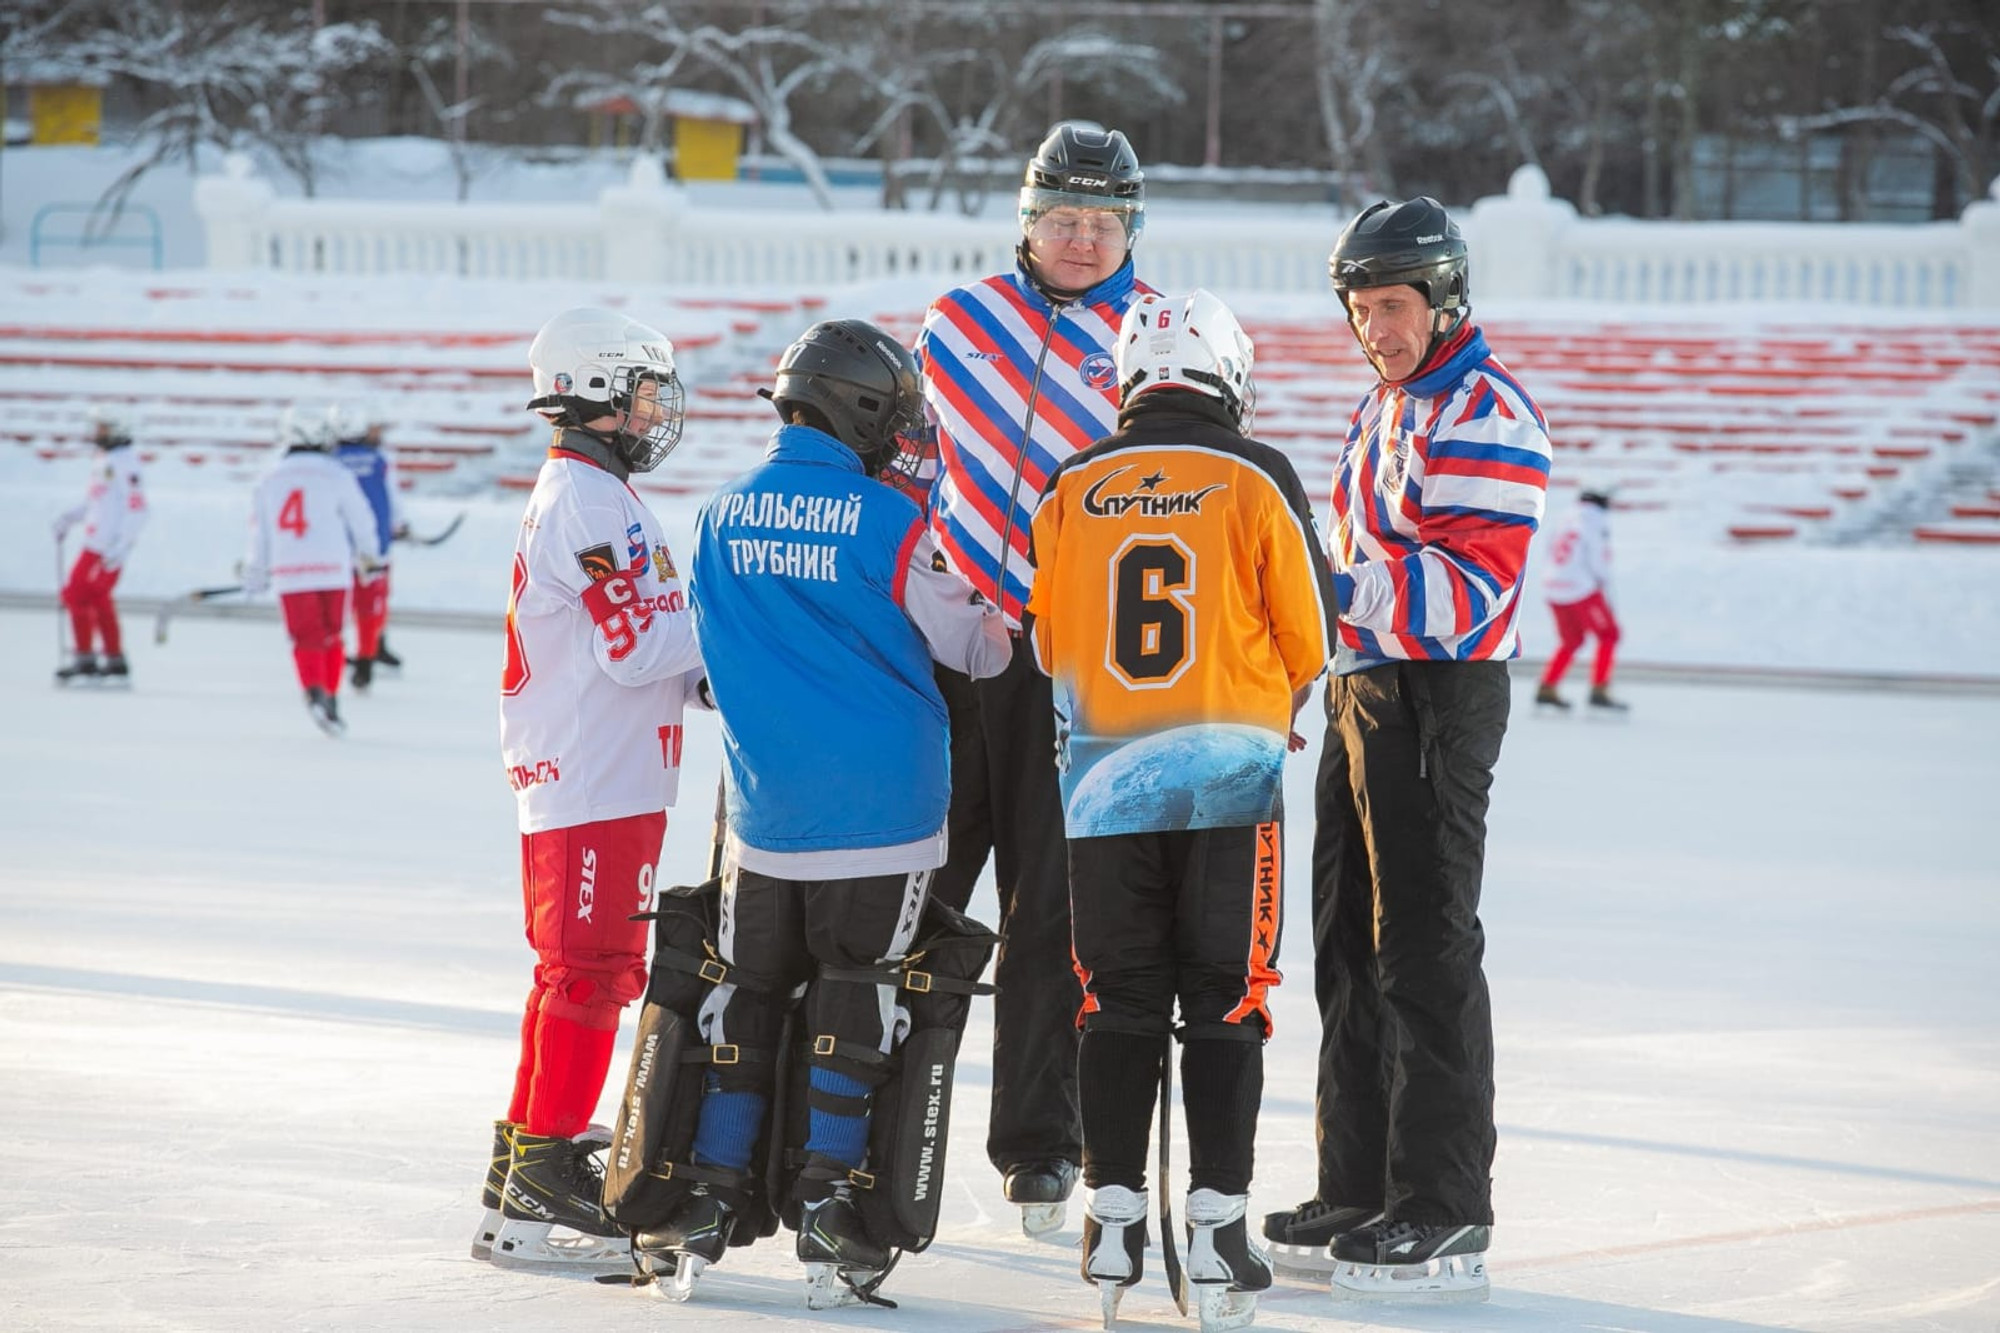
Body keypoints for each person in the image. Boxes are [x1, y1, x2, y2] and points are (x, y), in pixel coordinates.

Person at [647, 319, 1009, 1298]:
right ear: (857, 411)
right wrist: (1009, 610)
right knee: (860, 986)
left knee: (751, 989)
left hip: (761, 813)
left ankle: (714, 1188)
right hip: (885, 805)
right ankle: (825, 1199)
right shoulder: (892, 522)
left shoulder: (717, 517)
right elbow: (976, 648)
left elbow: (704, 663)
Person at [1023, 290, 1338, 1328]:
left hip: (1102, 775)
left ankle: (1110, 1211)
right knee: (1224, 996)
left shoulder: (1071, 480)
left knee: (1113, 994)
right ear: (1227, 376)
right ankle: (1214, 1223)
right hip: (1225, 776)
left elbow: (1046, 643)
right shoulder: (1254, 473)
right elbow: (1311, 636)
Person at [1263, 198, 1551, 1302]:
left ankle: (1441, 1203)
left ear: (1441, 299)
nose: (1373, 326)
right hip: (1363, 685)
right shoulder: (1383, 406)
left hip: (1435, 692)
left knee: (1423, 945)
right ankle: (1360, 1181)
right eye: (1358, 308)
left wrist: (1334, 591)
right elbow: (1353, 569)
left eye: (1390, 304)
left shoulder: (1480, 408)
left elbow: (1472, 587)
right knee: (1344, 941)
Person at [912, 121, 1152, 1232]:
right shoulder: (957, 323)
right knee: (918, 881)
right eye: (1063, 218)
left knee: (1052, 904)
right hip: (951, 648)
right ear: (1026, 220)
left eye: (1103, 222)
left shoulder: (1154, 338)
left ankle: (1040, 1143)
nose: (1082, 239)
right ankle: (872, 1108)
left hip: (1071, 659)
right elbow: (912, 464)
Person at [477, 307, 707, 1272]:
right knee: (591, 971)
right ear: (601, 393)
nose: (657, 409)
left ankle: (524, 1171)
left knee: (576, 972)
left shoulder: (594, 492)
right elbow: (642, 643)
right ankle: (547, 1165)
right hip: (591, 777)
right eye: (646, 390)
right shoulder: (591, 501)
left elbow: (650, 649)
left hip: (601, 773)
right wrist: (739, 634)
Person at [241, 405, 384, 736]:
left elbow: (259, 532)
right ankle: (330, 696)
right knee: (333, 634)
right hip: (334, 568)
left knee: (305, 637)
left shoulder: (269, 478)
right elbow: (361, 518)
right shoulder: (335, 474)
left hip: (291, 570)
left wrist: (256, 571)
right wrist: (369, 555)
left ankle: (314, 690)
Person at [54, 413, 149, 686]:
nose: (96, 432)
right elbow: (98, 502)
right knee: (95, 598)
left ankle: (88, 658)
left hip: (107, 546)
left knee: (79, 594)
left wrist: (123, 544)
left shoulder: (126, 463)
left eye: (102, 427)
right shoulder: (104, 460)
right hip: (94, 542)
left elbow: (138, 508)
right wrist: (71, 516)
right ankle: (111, 659)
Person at [331, 405, 409, 690]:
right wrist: (399, 524)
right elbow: (392, 497)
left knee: (336, 606)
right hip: (374, 546)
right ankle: (366, 659)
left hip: (336, 545)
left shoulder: (330, 460)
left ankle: (334, 657)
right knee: (370, 605)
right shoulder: (378, 460)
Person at [1535, 487, 1626, 712]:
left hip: (1553, 586)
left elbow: (1547, 549)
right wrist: (1603, 584)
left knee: (1572, 640)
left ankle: (1547, 686)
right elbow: (1597, 558)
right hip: (1580, 587)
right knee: (1609, 634)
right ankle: (1599, 689)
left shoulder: (1565, 518)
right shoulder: (1595, 521)